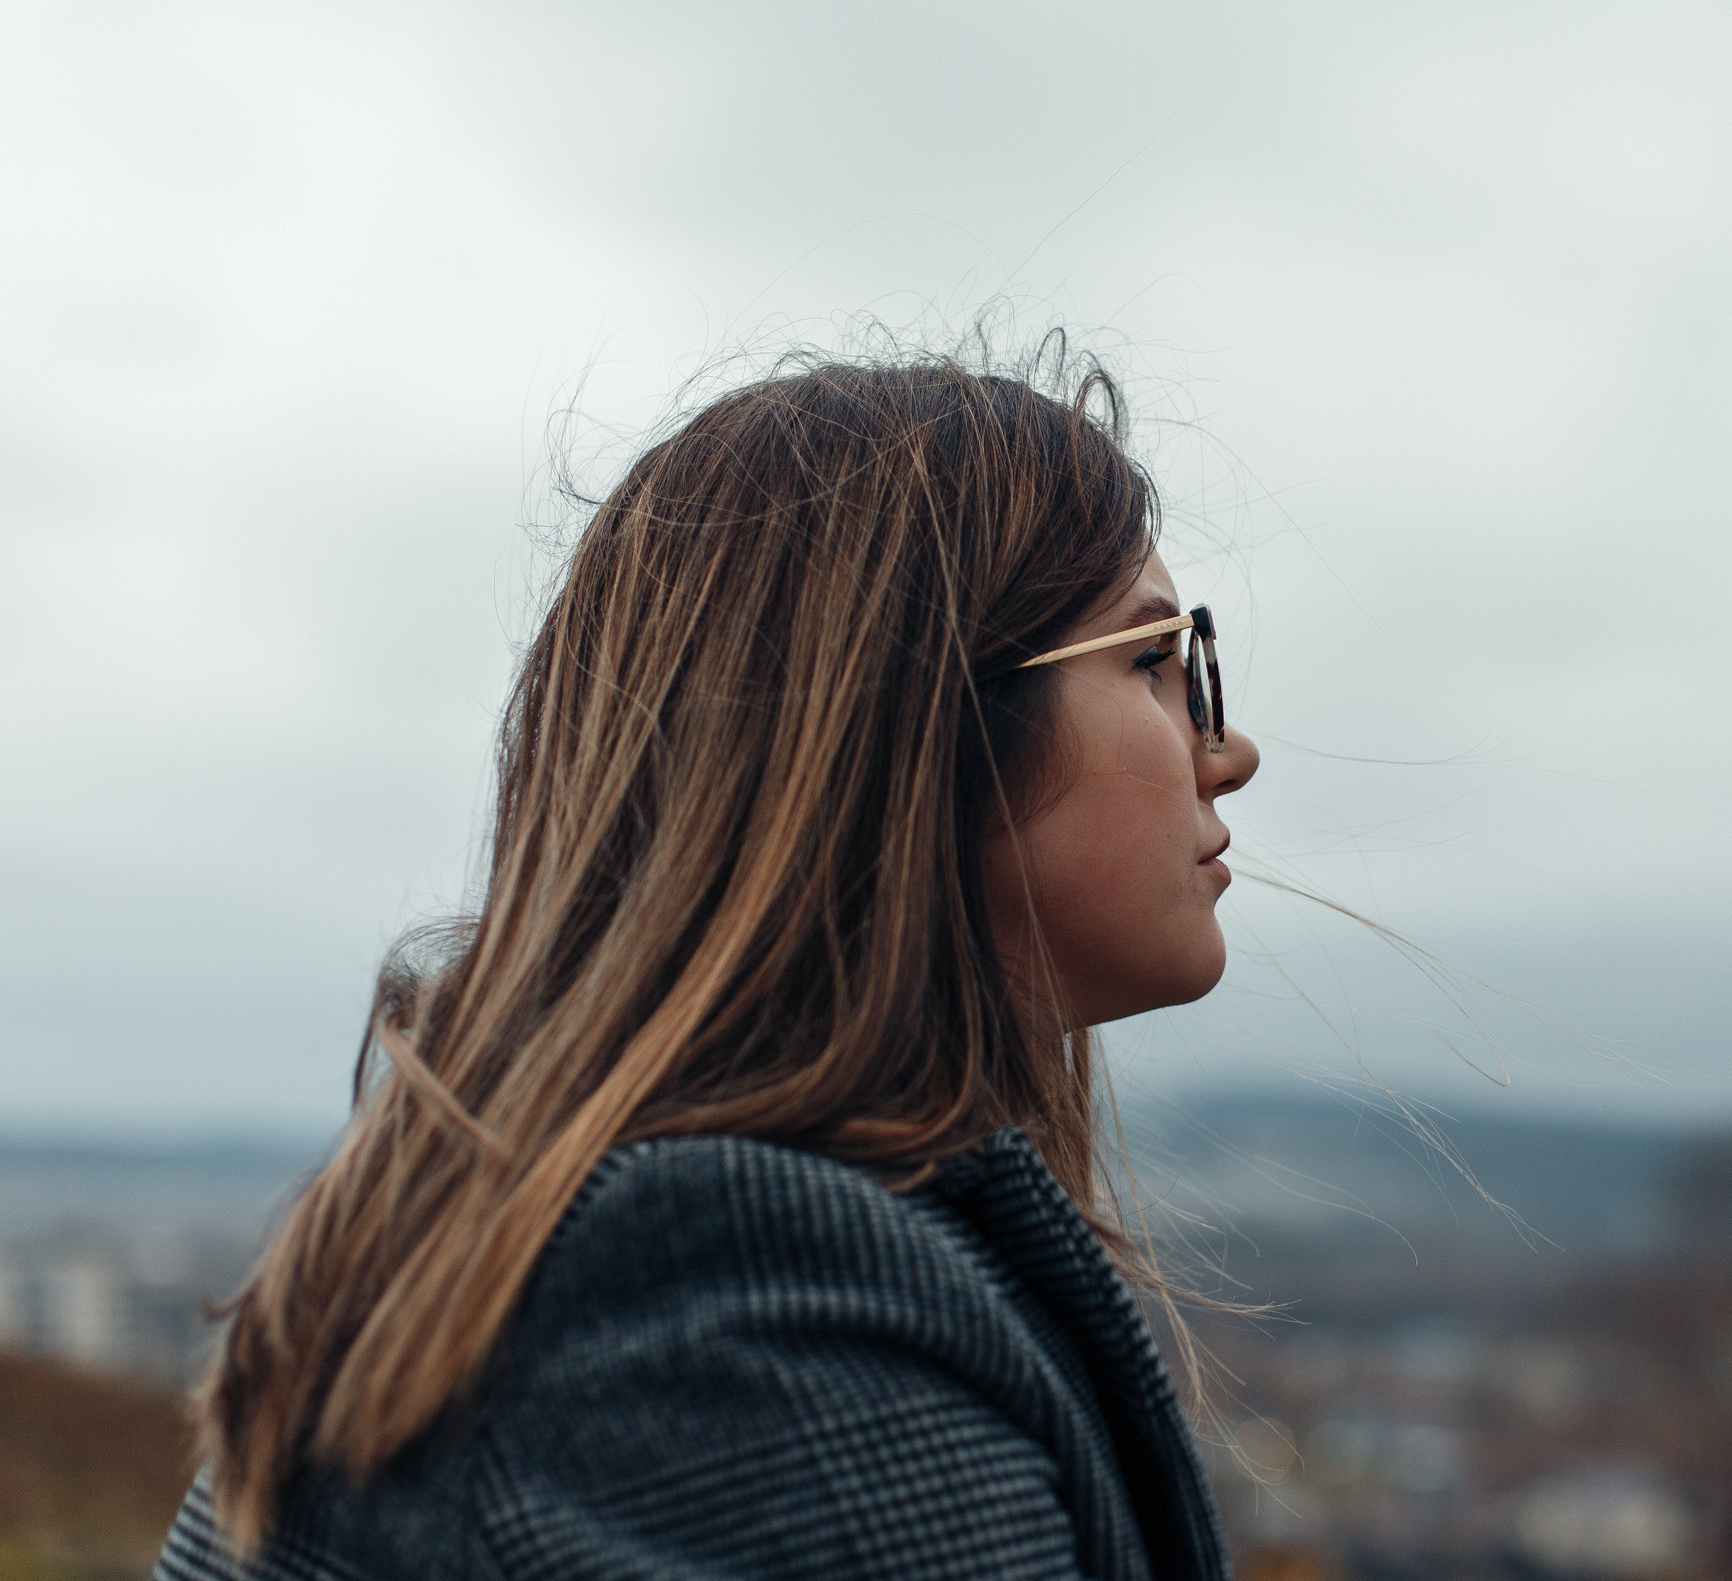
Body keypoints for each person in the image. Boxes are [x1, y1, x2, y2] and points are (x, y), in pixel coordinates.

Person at [155, 354, 1261, 1581]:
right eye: (1154, 659)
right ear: (917, 722)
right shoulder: (726, 1300)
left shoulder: (645, 1240)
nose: (1230, 751)